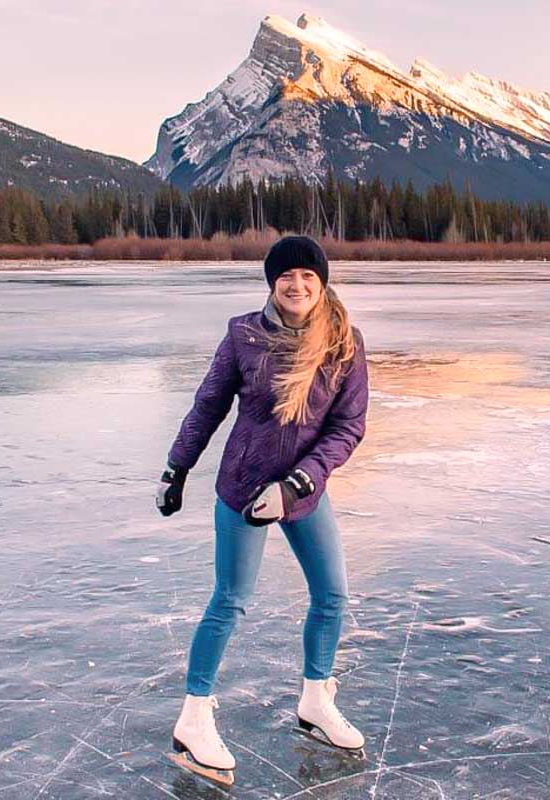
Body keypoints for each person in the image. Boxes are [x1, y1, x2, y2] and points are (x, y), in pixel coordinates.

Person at [156, 235, 370, 785]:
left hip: (303, 491)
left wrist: (298, 485)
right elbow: (208, 405)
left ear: (322, 284)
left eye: (307, 278)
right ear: (272, 284)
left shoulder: (344, 342)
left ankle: (316, 700)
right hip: (244, 487)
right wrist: (176, 469)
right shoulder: (243, 335)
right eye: (285, 278)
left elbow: (348, 427)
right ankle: (193, 718)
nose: (297, 287)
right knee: (232, 599)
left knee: (333, 595)